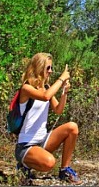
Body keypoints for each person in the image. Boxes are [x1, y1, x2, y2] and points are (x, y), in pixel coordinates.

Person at [15, 52, 82, 185]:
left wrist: (64, 93)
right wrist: (61, 79)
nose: (50, 71)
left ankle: (65, 170)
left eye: (51, 68)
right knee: (49, 163)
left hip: (43, 141)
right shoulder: (26, 88)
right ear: (39, 67)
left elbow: (58, 110)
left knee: (72, 127)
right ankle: (24, 165)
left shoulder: (46, 88)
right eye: (48, 68)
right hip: (26, 146)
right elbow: (45, 96)